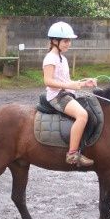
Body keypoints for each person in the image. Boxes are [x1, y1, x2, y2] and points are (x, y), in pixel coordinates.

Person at [42, 21, 97, 167]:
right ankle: (72, 154)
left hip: (64, 93)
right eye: (66, 41)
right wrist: (68, 85)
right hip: (56, 96)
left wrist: (84, 82)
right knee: (82, 115)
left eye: (69, 41)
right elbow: (47, 81)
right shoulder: (50, 58)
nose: (69, 44)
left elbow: (66, 81)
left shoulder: (62, 58)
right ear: (55, 41)